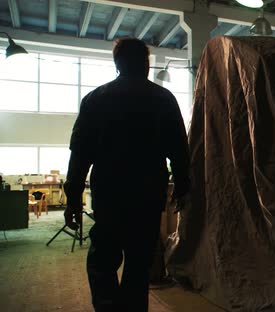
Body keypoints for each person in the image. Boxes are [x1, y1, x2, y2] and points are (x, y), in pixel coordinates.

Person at [63, 37, 190, 311]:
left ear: (117, 64)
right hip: (147, 196)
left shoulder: (95, 99)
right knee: (138, 263)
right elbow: (180, 151)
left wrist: (72, 198)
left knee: (103, 260)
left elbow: (80, 155)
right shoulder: (163, 99)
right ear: (146, 64)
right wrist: (182, 188)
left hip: (109, 195)